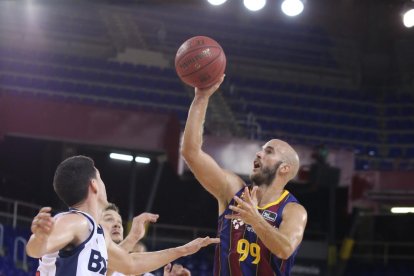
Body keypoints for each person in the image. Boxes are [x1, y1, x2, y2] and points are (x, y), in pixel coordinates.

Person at [180, 75, 307, 275]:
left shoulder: (293, 210)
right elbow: (191, 153)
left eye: (269, 152)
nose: (259, 153)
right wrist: (201, 98)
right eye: (262, 149)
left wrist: (255, 219)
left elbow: (285, 249)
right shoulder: (233, 190)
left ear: (284, 168)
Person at [26, 155, 219, 275]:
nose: (103, 184)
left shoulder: (97, 234)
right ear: (93, 185)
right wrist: (40, 237)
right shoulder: (75, 221)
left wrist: (183, 250)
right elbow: (36, 250)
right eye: (100, 179)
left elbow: (131, 263)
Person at [100, 203, 190, 276]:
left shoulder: (124, 270)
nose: (117, 225)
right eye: (109, 219)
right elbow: (106, 268)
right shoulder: (88, 252)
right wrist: (133, 237)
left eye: (119, 222)